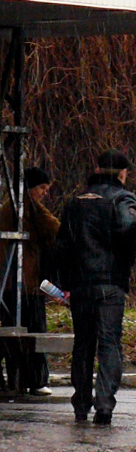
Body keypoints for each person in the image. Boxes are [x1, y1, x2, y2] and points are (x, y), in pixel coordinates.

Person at [54, 150, 136, 425]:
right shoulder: (122, 198)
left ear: (97, 168)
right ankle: (104, 405)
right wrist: (123, 259)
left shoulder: (74, 203)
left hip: (80, 285)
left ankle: (81, 403)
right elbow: (130, 226)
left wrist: (66, 282)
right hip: (110, 284)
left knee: (83, 345)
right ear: (123, 173)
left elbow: (62, 246)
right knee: (109, 343)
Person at [0, 166, 60, 395]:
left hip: (9, 281)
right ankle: (35, 379)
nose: (44, 193)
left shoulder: (10, 206)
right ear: (31, 188)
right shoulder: (29, 208)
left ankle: (16, 377)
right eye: (42, 188)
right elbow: (56, 229)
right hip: (25, 282)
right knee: (34, 330)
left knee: (13, 330)